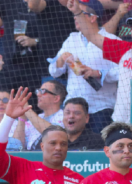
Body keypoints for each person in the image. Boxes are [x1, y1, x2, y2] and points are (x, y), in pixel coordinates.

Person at [49, 0, 119, 134]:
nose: (76, 17)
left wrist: (98, 73)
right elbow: (54, 72)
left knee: (98, 149)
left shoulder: (111, 40)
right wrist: (61, 59)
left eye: (80, 13)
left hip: (101, 108)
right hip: (73, 109)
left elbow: (124, 72)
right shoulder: (71, 39)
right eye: (75, 14)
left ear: (93, 18)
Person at [31, 98, 105, 151]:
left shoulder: (97, 141)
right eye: (67, 113)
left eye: (76, 113)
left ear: (86, 118)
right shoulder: (50, 138)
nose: (71, 116)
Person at [14, 80, 66, 151]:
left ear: (56, 98)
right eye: (38, 91)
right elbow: (16, 145)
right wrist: (22, 118)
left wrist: (27, 109)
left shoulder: (65, 116)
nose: (38, 94)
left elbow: (52, 133)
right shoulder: (36, 117)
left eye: (43, 91)